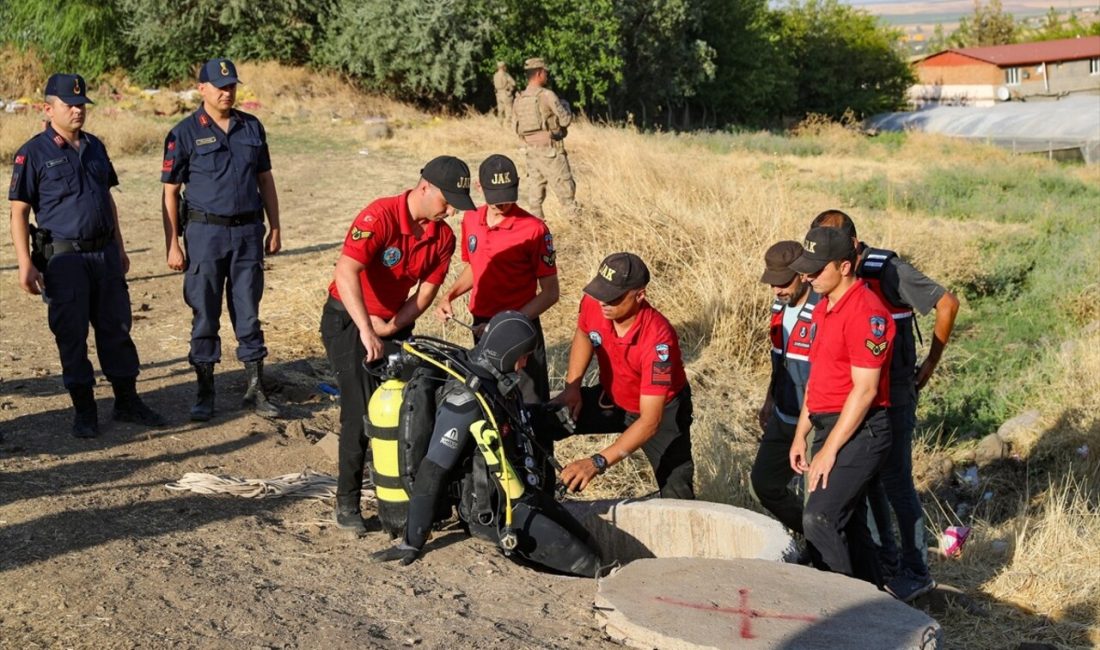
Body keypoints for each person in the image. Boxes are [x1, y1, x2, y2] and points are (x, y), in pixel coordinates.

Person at [369, 311, 601, 577]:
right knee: (588, 563)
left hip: (517, 494)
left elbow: (513, 423)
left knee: (587, 542)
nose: (525, 362)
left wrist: (552, 419)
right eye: (523, 355)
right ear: (506, 353)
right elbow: (432, 470)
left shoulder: (495, 382)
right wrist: (412, 541)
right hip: (490, 513)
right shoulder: (466, 400)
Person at [812, 209, 959, 601]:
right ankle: (887, 558)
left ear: (854, 248)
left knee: (894, 479)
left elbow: (947, 302)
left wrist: (930, 362)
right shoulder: (829, 280)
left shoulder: (887, 271)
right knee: (867, 478)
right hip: (858, 392)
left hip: (891, 391)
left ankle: (916, 569)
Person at [321, 155, 472, 534]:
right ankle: (347, 502)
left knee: (410, 408)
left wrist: (391, 327)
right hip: (348, 319)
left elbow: (425, 294)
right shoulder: (380, 216)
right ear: (425, 188)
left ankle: (407, 498)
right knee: (360, 411)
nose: (451, 211)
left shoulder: (443, 237)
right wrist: (367, 329)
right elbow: (346, 271)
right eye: (447, 201)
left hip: (391, 324)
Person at [8, 73, 165, 437]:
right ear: (49, 109)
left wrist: (121, 248)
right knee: (72, 334)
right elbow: (19, 211)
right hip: (66, 260)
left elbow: (106, 200)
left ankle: (127, 400)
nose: (78, 111)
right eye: (70, 106)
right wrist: (25, 264)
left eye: (81, 105)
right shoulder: (32, 153)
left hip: (104, 255)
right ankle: (85, 409)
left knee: (117, 328)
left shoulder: (95, 146)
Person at [161, 58, 283, 422]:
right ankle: (205, 391)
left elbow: (265, 180)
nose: (227, 92)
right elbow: (170, 193)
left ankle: (255, 389)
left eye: (231, 86)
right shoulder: (183, 133)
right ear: (202, 89)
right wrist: (173, 243)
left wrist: (275, 226)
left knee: (248, 312)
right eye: (219, 86)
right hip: (205, 234)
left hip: (247, 233)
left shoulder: (251, 127)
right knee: (205, 313)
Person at [788, 227, 895, 586]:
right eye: (807, 269)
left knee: (819, 518)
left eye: (817, 270)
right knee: (848, 523)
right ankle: (876, 602)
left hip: (860, 430)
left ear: (845, 266)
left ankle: (840, 605)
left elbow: (865, 391)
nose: (808, 277)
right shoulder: (824, 307)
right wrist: (802, 433)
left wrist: (830, 449)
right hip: (827, 423)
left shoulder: (867, 313)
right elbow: (819, 379)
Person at [548, 253, 695, 498]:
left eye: (613, 297)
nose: (603, 302)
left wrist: (596, 462)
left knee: (678, 494)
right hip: (612, 397)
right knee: (539, 421)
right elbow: (584, 333)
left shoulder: (659, 341)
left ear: (639, 295)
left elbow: (650, 421)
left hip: (660, 413)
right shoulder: (594, 303)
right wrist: (572, 387)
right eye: (600, 292)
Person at [435, 154, 559, 402]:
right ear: (479, 187)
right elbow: (476, 266)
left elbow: (550, 293)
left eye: (507, 196)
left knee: (531, 406)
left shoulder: (534, 229)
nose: (502, 204)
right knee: (491, 403)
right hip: (481, 326)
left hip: (521, 327)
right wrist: (449, 295)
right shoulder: (471, 219)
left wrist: (506, 325)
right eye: (495, 199)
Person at [750, 241, 819, 534]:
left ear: (803, 274)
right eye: (772, 283)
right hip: (783, 413)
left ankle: (829, 559)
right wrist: (769, 399)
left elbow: (823, 379)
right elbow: (779, 358)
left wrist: (803, 434)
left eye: (783, 282)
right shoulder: (779, 305)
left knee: (820, 505)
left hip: (815, 421)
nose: (777, 289)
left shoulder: (822, 311)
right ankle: (814, 540)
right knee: (763, 485)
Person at [512, 57, 578, 220]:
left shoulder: (519, 99)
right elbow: (565, 120)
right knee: (566, 193)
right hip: (551, 151)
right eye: (546, 73)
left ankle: (537, 231)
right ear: (539, 73)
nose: (547, 76)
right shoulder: (547, 95)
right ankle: (578, 228)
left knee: (535, 197)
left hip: (531, 152)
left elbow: (516, 127)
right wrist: (566, 107)